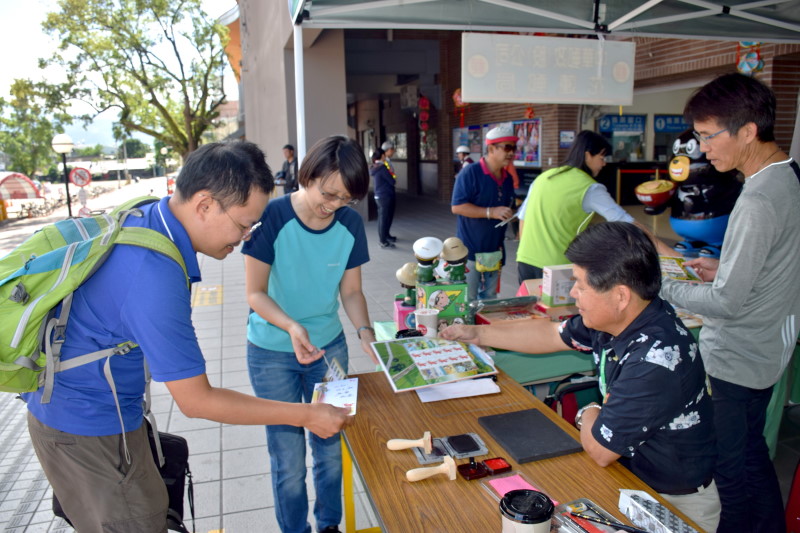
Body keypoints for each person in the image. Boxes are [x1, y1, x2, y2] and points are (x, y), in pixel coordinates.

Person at [23, 141, 351, 532]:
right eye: (245, 223)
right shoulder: (154, 273)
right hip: (85, 427)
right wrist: (307, 415)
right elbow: (197, 400)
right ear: (205, 204)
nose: (247, 236)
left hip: (93, 415)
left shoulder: (149, 216)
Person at [442, 222, 720, 532]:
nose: (573, 293)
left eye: (581, 285)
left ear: (620, 296)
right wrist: (476, 333)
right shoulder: (620, 319)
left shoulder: (657, 356)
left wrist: (589, 411)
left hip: (672, 504)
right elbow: (551, 333)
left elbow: (601, 449)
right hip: (632, 481)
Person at [659, 73, 800, 533]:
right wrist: (726, 267)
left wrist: (659, 285)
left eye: (707, 136)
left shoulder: (758, 198)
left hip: (737, 358)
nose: (702, 149)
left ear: (747, 131)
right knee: (753, 456)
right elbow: (780, 264)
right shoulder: (789, 178)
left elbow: (726, 303)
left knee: (729, 475)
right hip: (766, 352)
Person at [242, 135, 378, 533]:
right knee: (287, 459)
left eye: (344, 199)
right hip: (271, 352)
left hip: (329, 350)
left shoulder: (350, 224)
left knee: (331, 449)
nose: (332, 206)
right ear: (309, 174)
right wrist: (291, 325)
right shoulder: (271, 217)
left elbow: (351, 291)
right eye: (328, 192)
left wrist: (365, 332)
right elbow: (255, 294)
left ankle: (329, 526)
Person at [515, 130, 638, 285]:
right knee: (563, 310)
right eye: (601, 157)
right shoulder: (589, 187)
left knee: (531, 308)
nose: (604, 163)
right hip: (557, 267)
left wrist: (526, 251)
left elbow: (523, 219)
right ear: (588, 155)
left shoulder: (545, 177)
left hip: (525, 260)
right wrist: (664, 250)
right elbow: (625, 221)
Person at [451, 124, 515, 301]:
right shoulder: (470, 173)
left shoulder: (507, 178)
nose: (511, 153)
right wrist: (491, 212)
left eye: (513, 148)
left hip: (495, 250)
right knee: (468, 299)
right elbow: (457, 207)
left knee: (490, 298)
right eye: (507, 147)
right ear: (491, 148)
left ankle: (486, 329)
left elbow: (508, 203)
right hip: (469, 251)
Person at [370, 148, 397, 248]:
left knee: (385, 217)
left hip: (380, 195)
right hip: (384, 195)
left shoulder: (374, 166)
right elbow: (392, 181)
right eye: (384, 155)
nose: (385, 156)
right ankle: (383, 241)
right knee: (384, 218)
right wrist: (392, 176)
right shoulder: (382, 167)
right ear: (382, 156)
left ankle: (386, 236)